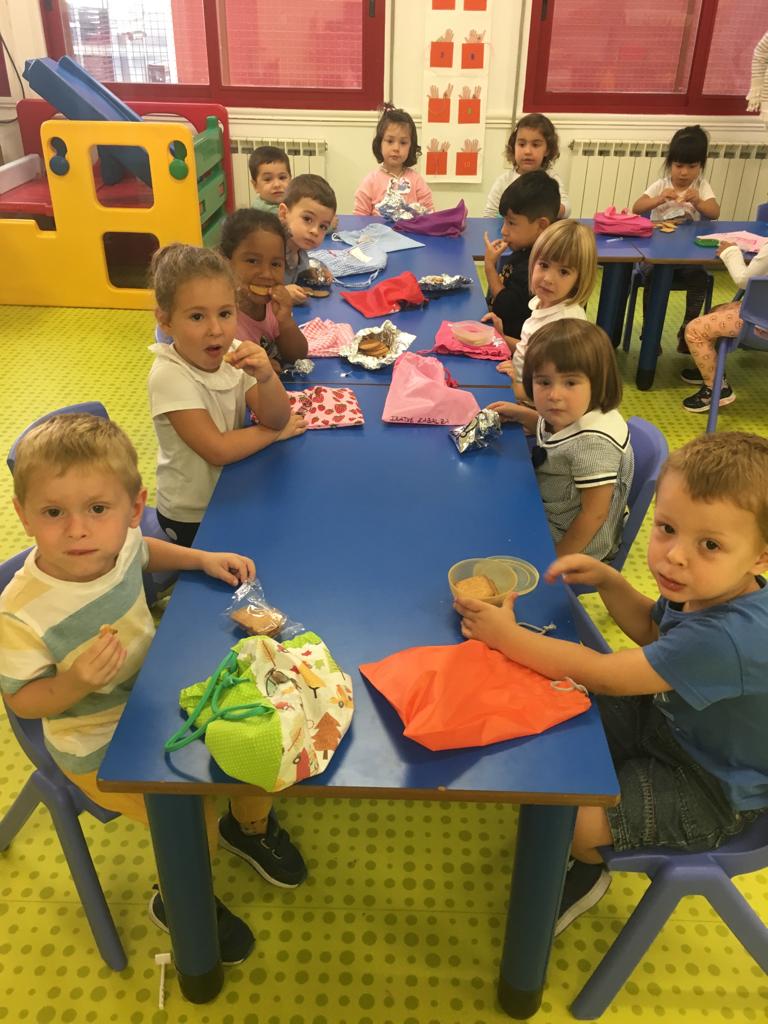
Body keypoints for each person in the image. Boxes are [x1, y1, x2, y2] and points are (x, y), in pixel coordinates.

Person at [0, 414, 308, 965]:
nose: (77, 530)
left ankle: (249, 828)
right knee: (190, 818)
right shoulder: (20, 612)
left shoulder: (117, 543)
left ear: (133, 506)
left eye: (97, 509)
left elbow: (142, 551)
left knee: (262, 741)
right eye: (53, 512)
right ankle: (179, 899)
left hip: (159, 692)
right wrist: (74, 682)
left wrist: (202, 559)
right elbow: (22, 701)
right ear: (23, 515)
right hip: (95, 741)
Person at [455, 431, 768, 935]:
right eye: (667, 528)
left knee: (575, 823)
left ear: (761, 557)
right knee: (554, 712)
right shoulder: (707, 587)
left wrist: (506, 636)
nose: (675, 556)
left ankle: (588, 866)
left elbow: (608, 674)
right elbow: (652, 630)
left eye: (709, 544)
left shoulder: (730, 637)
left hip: (712, 784)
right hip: (667, 720)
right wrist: (611, 581)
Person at [148, 244, 306, 548]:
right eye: (197, 317)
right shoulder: (169, 375)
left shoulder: (232, 353)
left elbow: (276, 417)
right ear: (165, 321)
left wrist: (267, 377)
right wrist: (274, 434)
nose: (216, 329)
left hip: (230, 485)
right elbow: (218, 449)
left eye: (224, 313)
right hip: (192, 515)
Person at [488, 321, 634, 561]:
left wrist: (558, 558)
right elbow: (558, 437)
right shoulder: (571, 414)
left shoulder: (594, 445)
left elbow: (594, 514)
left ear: (598, 382)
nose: (554, 395)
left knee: (488, 530)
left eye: (570, 383)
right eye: (544, 382)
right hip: (551, 510)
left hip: (573, 542)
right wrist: (523, 415)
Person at [632, 125, 720, 352]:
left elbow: (714, 212)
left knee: (699, 279)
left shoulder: (701, 187)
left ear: (701, 166)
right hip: (657, 256)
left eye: (692, 167)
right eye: (679, 166)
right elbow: (637, 207)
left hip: (687, 258)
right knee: (652, 279)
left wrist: (698, 202)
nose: (684, 173)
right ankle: (650, 332)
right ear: (670, 163)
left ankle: (687, 330)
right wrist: (659, 199)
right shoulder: (662, 185)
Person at [494, 219, 598, 402]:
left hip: (539, 408)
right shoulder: (543, 303)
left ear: (579, 279)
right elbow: (531, 350)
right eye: (544, 265)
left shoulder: (565, 325)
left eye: (564, 272)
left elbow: (554, 392)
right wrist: (501, 337)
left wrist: (511, 388)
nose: (548, 279)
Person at [680, 237, 768, 412]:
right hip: (762, 312)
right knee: (717, 311)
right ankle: (709, 368)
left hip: (760, 326)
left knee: (695, 330)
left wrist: (730, 252)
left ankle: (717, 388)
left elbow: (744, 280)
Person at [219, 208, 308, 371]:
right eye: (253, 261)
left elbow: (297, 355)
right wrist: (256, 372)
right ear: (226, 263)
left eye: (275, 264)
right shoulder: (221, 317)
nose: (267, 274)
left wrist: (285, 321)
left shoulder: (272, 307)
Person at [481, 171, 561, 341]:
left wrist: (489, 267)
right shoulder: (524, 249)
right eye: (504, 221)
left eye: (511, 223)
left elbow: (505, 307)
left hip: (514, 346)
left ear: (541, 225)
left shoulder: (536, 266)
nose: (503, 230)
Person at [483, 113, 570, 219]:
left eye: (535, 145)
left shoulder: (551, 179)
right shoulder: (503, 181)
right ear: (513, 147)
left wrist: (545, 207)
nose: (527, 151)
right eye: (522, 144)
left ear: (547, 150)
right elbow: (489, 214)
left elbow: (566, 210)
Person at [353, 106, 434, 216]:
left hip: (410, 228)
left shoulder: (417, 181)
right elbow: (359, 217)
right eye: (390, 141)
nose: (396, 148)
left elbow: (429, 214)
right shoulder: (370, 182)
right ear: (380, 143)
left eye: (403, 143)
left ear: (411, 147)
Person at [277, 173, 337, 301]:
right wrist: (282, 293)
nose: (315, 231)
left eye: (323, 226)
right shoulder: (270, 251)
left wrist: (308, 273)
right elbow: (247, 288)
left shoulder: (300, 250)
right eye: (307, 219)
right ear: (283, 213)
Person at [249, 144, 291, 214]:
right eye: (268, 179)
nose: (277, 185)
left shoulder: (291, 201)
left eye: (282, 177)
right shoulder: (259, 213)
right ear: (255, 186)